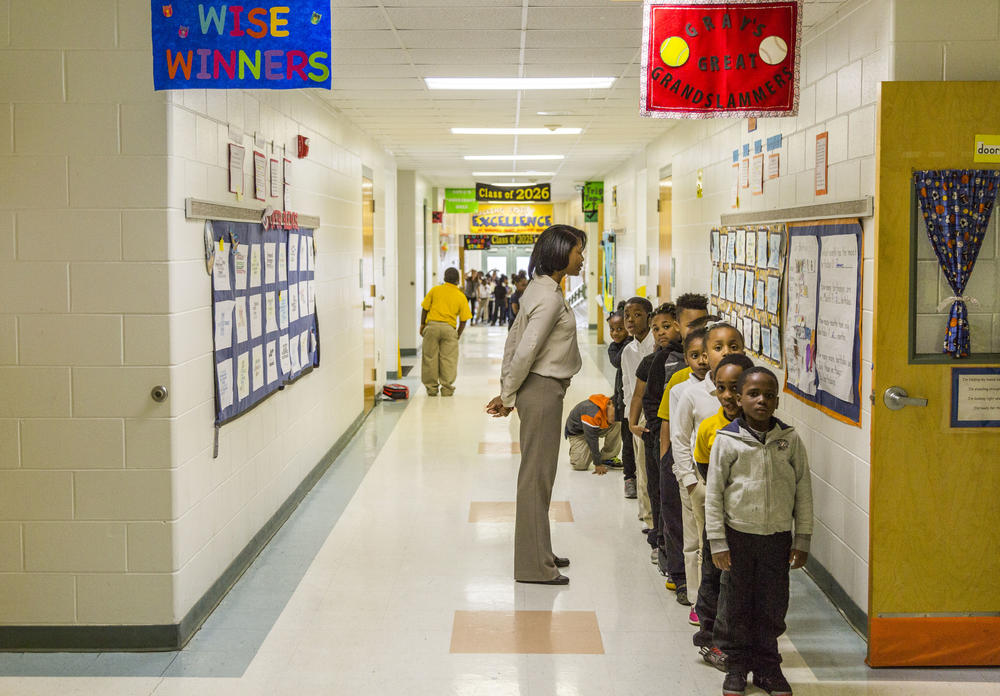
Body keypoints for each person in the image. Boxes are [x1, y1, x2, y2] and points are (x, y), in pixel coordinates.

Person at [485, 225, 586, 586]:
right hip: (542, 390)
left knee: (539, 477)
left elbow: (514, 341)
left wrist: (508, 389)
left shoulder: (540, 289)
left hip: (539, 390)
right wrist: (508, 394)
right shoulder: (550, 297)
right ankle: (533, 565)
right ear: (560, 253)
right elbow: (525, 349)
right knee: (536, 479)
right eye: (577, 251)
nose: (582, 258)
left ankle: (539, 549)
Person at [707, 366, 813, 696]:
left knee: (772, 604)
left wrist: (802, 537)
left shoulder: (790, 440)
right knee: (736, 605)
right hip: (738, 536)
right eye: (753, 394)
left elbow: (804, 491)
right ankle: (736, 666)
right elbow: (713, 494)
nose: (761, 401)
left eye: (768, 395)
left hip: (777, 537)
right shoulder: (727, 441)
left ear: (777, 401)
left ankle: (768, 666)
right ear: (738, 399)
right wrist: (717, 541)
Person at [692, 351, 754, 670]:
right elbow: (705, 471)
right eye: (721, 388)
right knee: (713, 577)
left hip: (752, 523)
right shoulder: (709, 428)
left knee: (739, 584)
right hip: (720, 518)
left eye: (736, 387)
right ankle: (709, 634)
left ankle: (732, 639)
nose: (728, 395)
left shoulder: (764, 430)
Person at [628, 304, 684, 573]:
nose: (661, 333)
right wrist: (633, 423)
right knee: (657, 488)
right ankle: (659, 540)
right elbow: (640, 396)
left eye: (667, 326)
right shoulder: (651, 361)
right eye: (656, 328)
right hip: (654, 434)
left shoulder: (686, 360)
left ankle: (669, 543)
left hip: (679, 436)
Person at [620, 297, 655, 530]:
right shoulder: (628, 351)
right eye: (627, 316)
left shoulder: (656, 345)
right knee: (641, 467)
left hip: (654, 411)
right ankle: (647, 514)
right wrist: (629, 419)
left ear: (649, 317)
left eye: (637, 315)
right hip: (635, 413)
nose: (630, 320)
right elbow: (627, 385)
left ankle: (654, 519)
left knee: (650, 469)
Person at [419, 267, 472, 396]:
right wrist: (457, 334)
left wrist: (422, 325)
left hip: (432, 327)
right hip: (449, 329)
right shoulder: (460, 296)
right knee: (448, 359)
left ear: (444, 278)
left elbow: (425, 308)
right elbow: (464, 320)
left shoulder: (435, 290)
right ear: (458, 280)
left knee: (429, 357)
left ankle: (431, 388)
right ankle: (447, 388)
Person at [607, 311, 636, 495]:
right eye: (612, 329)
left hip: (636, 396)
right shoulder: (615, 348)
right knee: (627, 439)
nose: (616, 333)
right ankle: (629, 477)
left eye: (620, 329)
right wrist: (628, 342)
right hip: (623, 399)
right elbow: (618, 362)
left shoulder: (635, 344)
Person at [564, 394, 622, 474]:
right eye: (615, 415)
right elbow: (592, 438)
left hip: (595, 427)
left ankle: (608, 457)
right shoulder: (591, 412)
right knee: (580, 466)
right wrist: (597, 463)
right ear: (610, 403)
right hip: (578, 433)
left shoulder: (609, 408)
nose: (615, 418)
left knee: (617, 424)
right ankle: (576, 451)